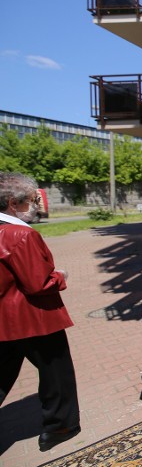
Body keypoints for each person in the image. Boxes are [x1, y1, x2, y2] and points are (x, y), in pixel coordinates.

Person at [0, 172, 80, 452]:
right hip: (35, 317)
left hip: (5, 319)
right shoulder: (21, 234)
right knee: (57, 373)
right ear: (13, 203)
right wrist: (60, 276)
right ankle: (60, 426)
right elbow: (38, 282)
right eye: (33, 200)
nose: (37, 205)